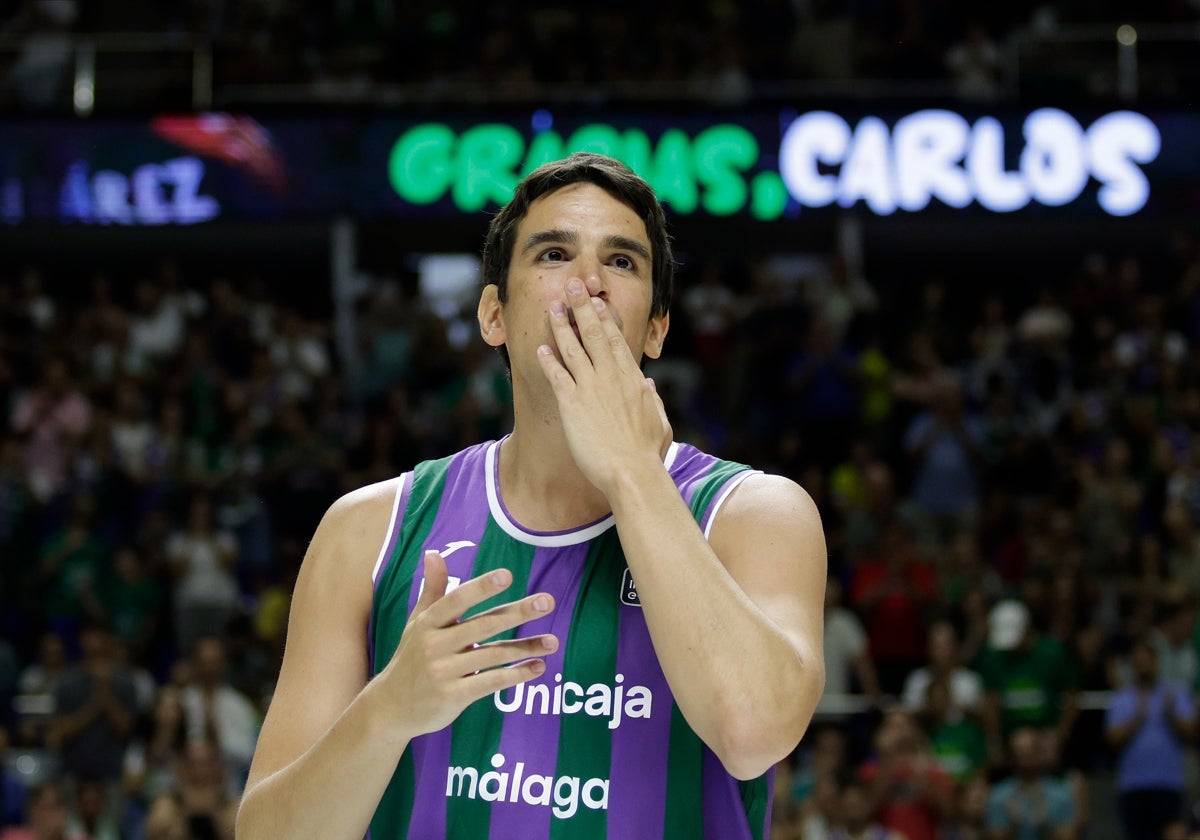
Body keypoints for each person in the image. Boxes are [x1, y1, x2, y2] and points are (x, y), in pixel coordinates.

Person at [236, 152, 828, 839]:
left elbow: (754, 732)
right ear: (494, 314)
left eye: (623, 262)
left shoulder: (753, 513)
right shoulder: (370, 527)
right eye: (553, 254)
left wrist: (634, 473)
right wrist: (389, 709)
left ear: (658, 328)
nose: (587, 284)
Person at [1105, 637, 1196, 840]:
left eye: (1147, 660)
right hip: (1133, 785)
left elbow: (1192, 734)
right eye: (1139, 661)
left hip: (1169, 783)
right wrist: (1137, 717)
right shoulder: (1122, 698)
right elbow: (1112, 740)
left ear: (1156, 661)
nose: (1143, 665)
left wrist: (1171, 714)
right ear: (1133, 665)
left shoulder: (1175, 694)